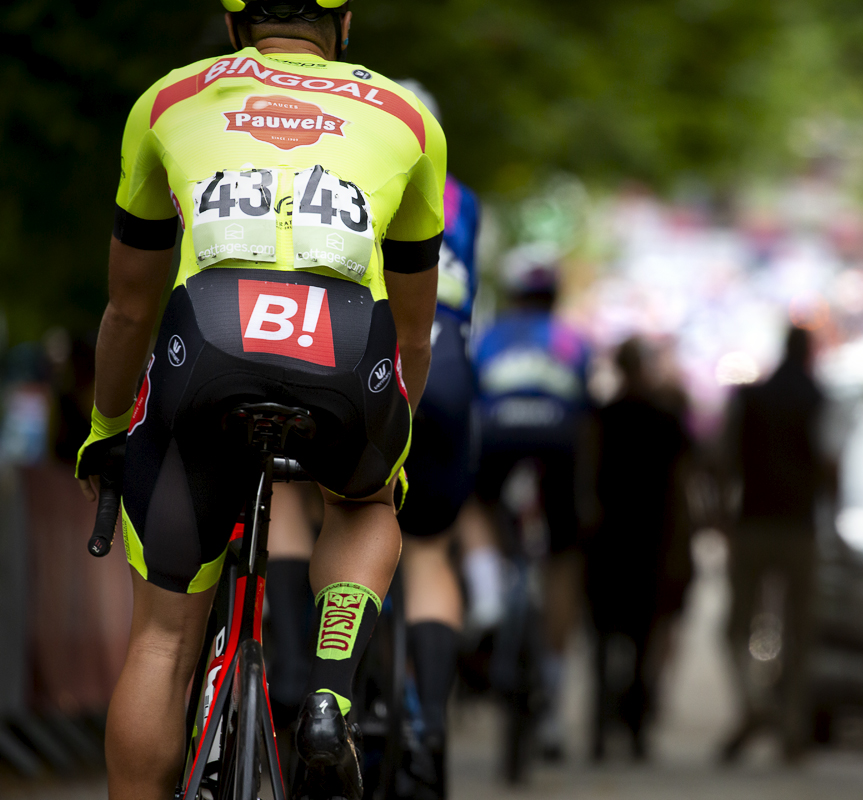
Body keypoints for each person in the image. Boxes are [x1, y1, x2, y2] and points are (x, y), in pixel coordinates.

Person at [73, 3, 446, 799]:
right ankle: (328, 692)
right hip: (344, 357)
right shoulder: (410, 117)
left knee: (163, 643)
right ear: (343, 23)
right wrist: (392, 454)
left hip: (202, 351)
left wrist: (106, 430)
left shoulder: (168, 100)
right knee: (364, 504)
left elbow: (130, 308)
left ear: (234, 20)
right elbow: (415, 336)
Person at [391, 78, 480, 798]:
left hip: (379, 363)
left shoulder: (362, 166)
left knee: (339, 511)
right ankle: (434, 728)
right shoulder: (467, 202)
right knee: (426, 549)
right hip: (451, 371)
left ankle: (322, 683)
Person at [472, 245, 591, 758]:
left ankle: (490, 589)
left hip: (498, 441)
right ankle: (554, 689)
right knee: (564, 556)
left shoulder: (488, 338)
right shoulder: (573, 341)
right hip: (558, 445)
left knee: (473, 509)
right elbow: (586, 411)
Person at [719, 325, 827, 763]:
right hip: (799, 527)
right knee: (797, 630)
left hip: (753, 522)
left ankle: (752, 706)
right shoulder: (819, 400)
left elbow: (727, 460)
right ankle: (790, 722)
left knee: (737, 627)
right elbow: (830, 462)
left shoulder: (751, 398)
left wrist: (722, 517)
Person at [583, 337, 692, 761]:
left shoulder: (601, 416)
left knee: (601, 641)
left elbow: (588, 473)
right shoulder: (666, 421)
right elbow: (682, 485)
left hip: (607, 541)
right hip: (652, 542)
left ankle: (597, 729)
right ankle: (636, 732)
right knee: (644, 641)